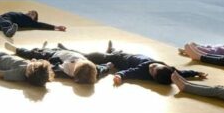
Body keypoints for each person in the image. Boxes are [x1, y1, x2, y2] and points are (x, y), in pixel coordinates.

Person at [60, 39, 205, 86]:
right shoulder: (169, 70)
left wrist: (120, 76)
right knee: (109, 53)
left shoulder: (142, 70)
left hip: (116, 59)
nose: (151, 65)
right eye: (155, 65)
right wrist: (195, 73)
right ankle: (111, 50)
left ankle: (67, 50)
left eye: (152, 70)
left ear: (152, 76)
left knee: (90, 56)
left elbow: (129, 72)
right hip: (126, 55)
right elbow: (181, 73)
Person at [7, 43, 102, 85]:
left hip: (53, 55)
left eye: (74, 64)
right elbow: (102, 69)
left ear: (73, 74)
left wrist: (35, 63)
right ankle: (47, 47)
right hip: (64, 51)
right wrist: (108, 66)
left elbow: (48, 69)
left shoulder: (63, 70)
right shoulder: (92, 69)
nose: (76, 61)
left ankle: (17, 50)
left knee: (35, 53)